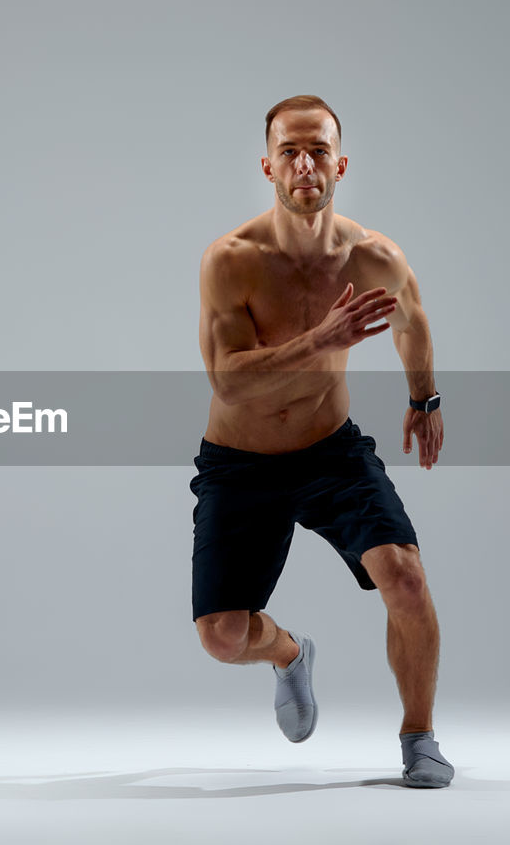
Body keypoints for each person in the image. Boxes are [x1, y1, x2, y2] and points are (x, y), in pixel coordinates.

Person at [189, 95, 453, 788]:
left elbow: (410, 320)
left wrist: (422, 396)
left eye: (316, 151)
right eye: (289, 152)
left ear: (339, 164)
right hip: (240, 464)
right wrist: (323, 340)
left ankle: (419, 737)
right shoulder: (232, 261)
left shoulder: (374, 256)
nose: (304, 163)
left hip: (328, 451)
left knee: (406, 577)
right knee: (222, 636)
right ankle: (288, 656)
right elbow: (231, 382)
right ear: (268, 168)